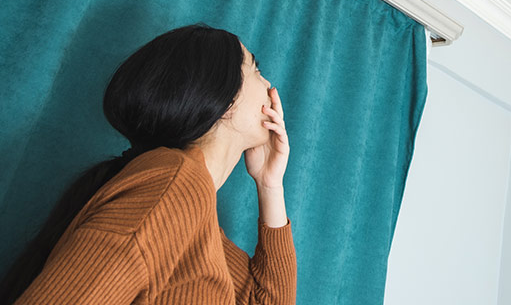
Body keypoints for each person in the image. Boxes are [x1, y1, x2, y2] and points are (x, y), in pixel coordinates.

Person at [0, 24, 297, 304]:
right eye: (255, 69)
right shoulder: (176, 185)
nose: (268, 83)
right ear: (225, 99)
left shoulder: (192, 209)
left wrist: (269, 185)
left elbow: (265, 300)